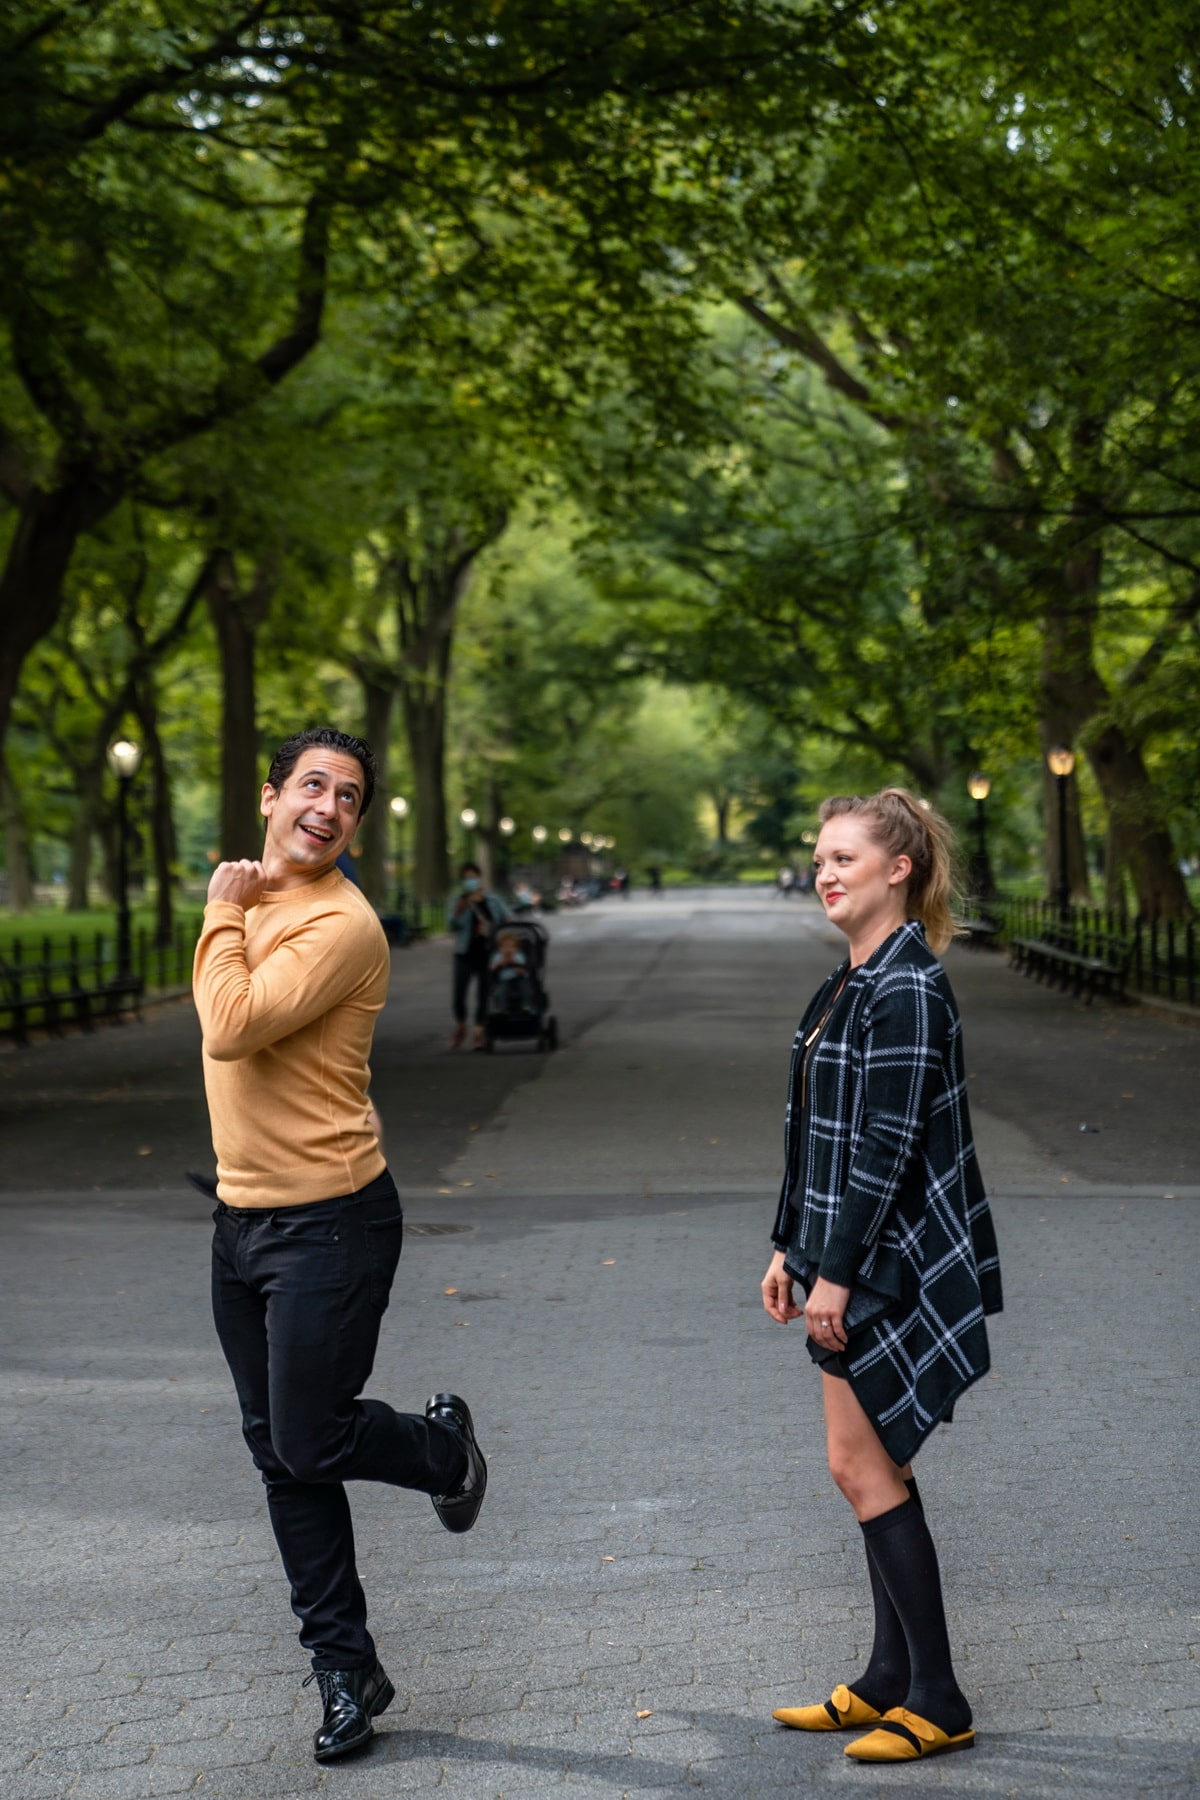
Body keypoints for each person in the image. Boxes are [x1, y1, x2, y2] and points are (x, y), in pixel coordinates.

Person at [193, 727, 488, 1766]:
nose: (328, 805)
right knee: (282, 1454)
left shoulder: (343, 924)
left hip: (333, 1221)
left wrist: (222, 909)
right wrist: (236, 907)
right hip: (241, 1223)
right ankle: (344, 1667)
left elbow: (230, 1024)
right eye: (312, 785)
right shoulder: (255, 900)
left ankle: (443, 1450)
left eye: (349, 796)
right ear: (271, 795)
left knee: (308, 1438)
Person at [761, 788, 1002, 1765]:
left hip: (888, 1265)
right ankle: (886, 1680)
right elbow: (812, 1136)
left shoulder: (906, 984)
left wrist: (837, 1274)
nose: (826, 872)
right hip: (847, 1256)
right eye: (819, 857)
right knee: (873, 1466)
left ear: (898, 870)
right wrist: (789, 1247)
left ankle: (938, 1698)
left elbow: (886, 1146)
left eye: (845, 858)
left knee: (862, 1467)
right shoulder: (851, 981)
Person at [446, 861, 508, 1049]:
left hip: (487, 952)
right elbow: (451, 926)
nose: (470, 881)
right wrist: (459, 909)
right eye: (466, 878)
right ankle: (461, 1026)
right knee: (459, 995)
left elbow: (507, 918)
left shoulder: (492, 900)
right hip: (464, 952)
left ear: (479, 878)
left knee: (484, 994)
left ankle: (479, 1032)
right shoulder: (458, 900)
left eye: (472, 877)